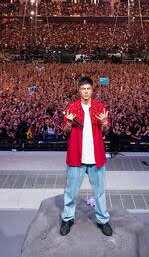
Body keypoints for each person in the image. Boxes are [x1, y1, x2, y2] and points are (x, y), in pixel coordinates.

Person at [59, 76, 112, 236]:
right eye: (83, 89)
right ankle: (67, 218)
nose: (86, 91)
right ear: (79, 90)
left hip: (96, 158)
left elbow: (106, 131)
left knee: (100, 191)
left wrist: (104, 123)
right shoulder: (72, 108)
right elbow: (65, 132)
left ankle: (103, 220)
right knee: (71, 191)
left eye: (88, 88)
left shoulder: (99, 107)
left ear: (92, 90)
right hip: (77, 158)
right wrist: (68, 123)